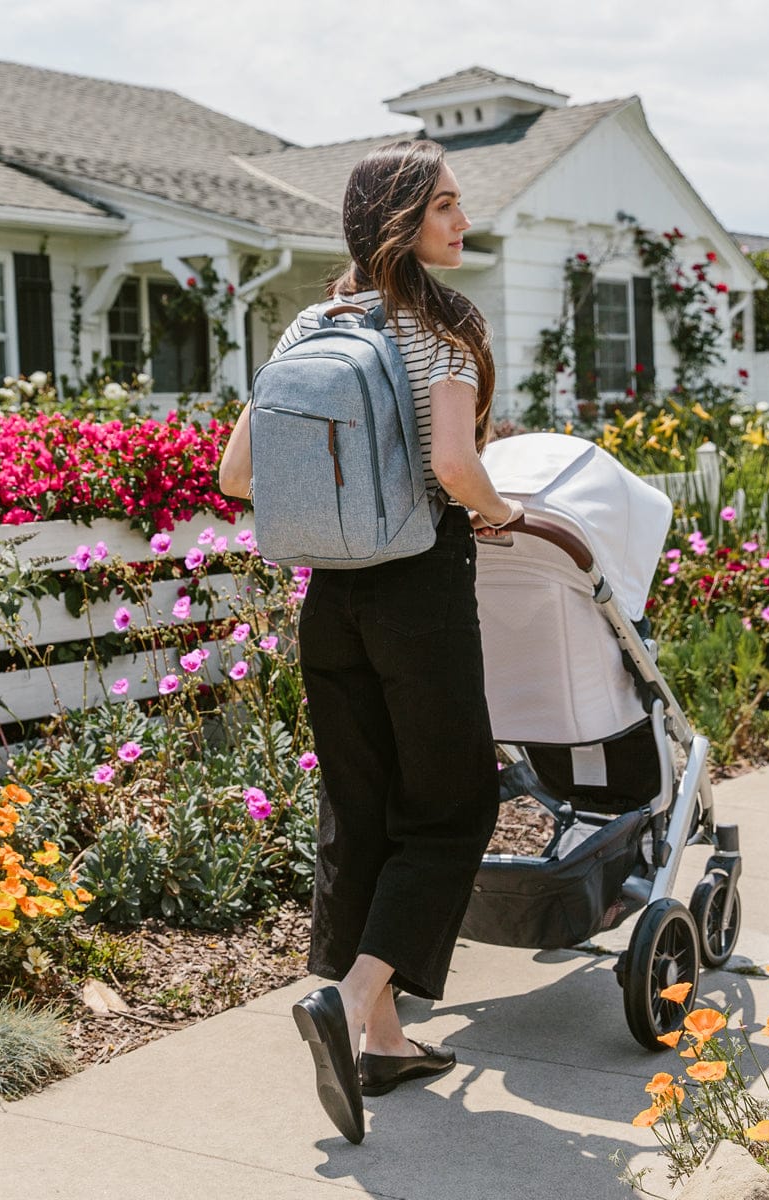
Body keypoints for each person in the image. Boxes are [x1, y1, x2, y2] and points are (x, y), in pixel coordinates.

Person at [219, 139, 522, 1144]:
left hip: (330, 597)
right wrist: (502, 512)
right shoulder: (447, 325)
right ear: (397, 220)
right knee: (453, 807)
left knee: (360, 813)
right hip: (417, 587)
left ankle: (384, 1042)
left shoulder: (311, 325)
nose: (462, 221)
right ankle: (348, 1005)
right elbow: (454, 466)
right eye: (443, 206)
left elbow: (235, 475)